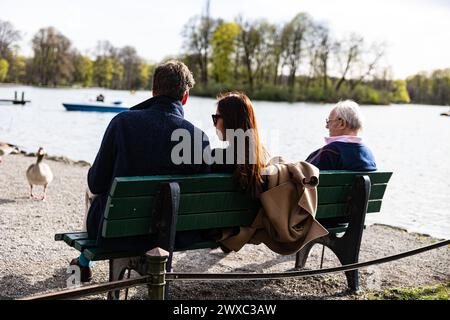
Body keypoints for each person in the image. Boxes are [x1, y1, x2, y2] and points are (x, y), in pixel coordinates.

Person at [71, 60, 211, 282]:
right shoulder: (198, 137)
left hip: (118, 231)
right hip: (176, 235)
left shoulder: (123, 123)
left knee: (92, 189)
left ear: (154, 91)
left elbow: (96, 183)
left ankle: (82, 262)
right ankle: (82, 263)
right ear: (185, 97)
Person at [306, 100, 377, 171]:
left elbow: (301, 176)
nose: (327, 126)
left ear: (342, 123)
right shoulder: (369, 154)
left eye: (329, 122)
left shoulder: (329, 152)